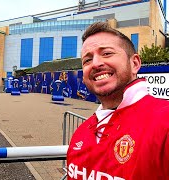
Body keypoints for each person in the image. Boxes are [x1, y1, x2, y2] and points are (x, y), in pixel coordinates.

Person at [67, 22, 169, 179]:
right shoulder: (81, 133)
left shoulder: (164, 122)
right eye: (87, 60)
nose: (95, 63)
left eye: (107, 53)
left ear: (134, 63)